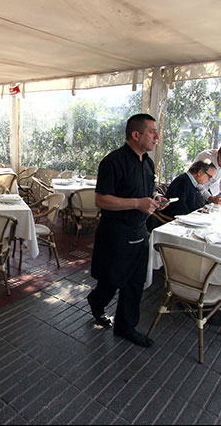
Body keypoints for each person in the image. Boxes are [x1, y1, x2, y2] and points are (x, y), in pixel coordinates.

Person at [87, 113, 168, 348]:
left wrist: (156, 199)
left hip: (139, 230)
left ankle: (126, 326)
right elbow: (101, 200)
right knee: (111, 280)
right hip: (116, 232)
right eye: (152, 132)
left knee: (134, 282)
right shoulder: (113, 162)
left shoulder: (148, 163)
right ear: (136, 135)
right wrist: (136, 203)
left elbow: (144, 194)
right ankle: (96, 301)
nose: (157, 137)